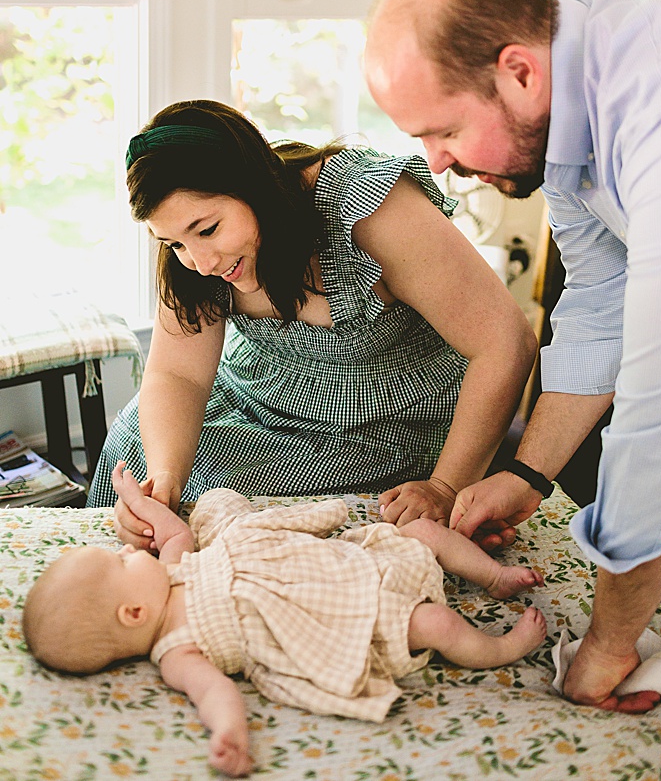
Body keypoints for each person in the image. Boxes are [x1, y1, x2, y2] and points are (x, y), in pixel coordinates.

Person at [364, 0, 661, 711]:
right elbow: (598, 299)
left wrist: (609, 644)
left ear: (519, 72)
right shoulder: (565, 114)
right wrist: (528, 474)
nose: (439, 164)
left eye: (445, 130)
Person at [88, 100, 536, 542]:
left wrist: (445, 487)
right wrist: (166, 478)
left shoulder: (364, 205)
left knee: (254, 512)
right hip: (256, 397)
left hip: (385, 427)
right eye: (173, 243)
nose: (201, 262)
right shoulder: (191, 252)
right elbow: (177, 375)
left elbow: (505, 342)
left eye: (207, 230)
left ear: (253, 185)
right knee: (137, 452)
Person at [28, 463, 548, 777]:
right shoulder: (177, 652)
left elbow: (172, 533)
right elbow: (214, 695)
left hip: (342, 562)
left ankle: (492, 577)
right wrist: (231, 732)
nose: (126, 551)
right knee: (434, 625)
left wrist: (140, 501)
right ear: (133, 612)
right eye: (120, 561)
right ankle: (501, 649)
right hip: (338, 614)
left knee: (422, 536)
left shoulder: (173, 567)